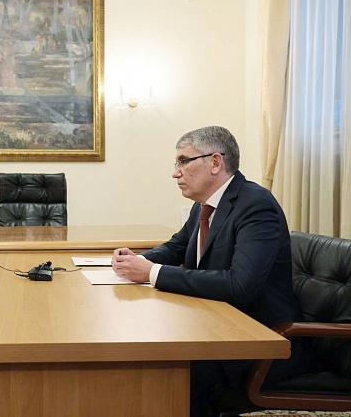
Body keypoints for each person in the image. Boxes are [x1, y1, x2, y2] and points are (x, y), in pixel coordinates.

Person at [111, 126, 302, 417]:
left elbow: (239, 285)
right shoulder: (204, 205)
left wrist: (151, 272)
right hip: (213, 327)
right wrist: (136, 261)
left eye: (183, 161)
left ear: (215, 162)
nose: (175, 173)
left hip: (256, 343)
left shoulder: (256, 205)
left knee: (154, 367)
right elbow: (176, 247)